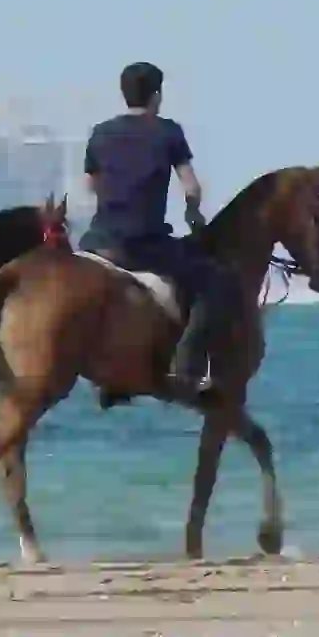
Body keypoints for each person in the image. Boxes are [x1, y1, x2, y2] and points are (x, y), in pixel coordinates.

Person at [79, 62, 240, 393]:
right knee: (214, 281)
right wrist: (193, 213)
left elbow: (89, 185)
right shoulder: (167, 132)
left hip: (96, 242)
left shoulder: (100, 132)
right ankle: (187, 367)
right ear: (156, 95)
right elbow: (191, 187)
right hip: (143, 244)